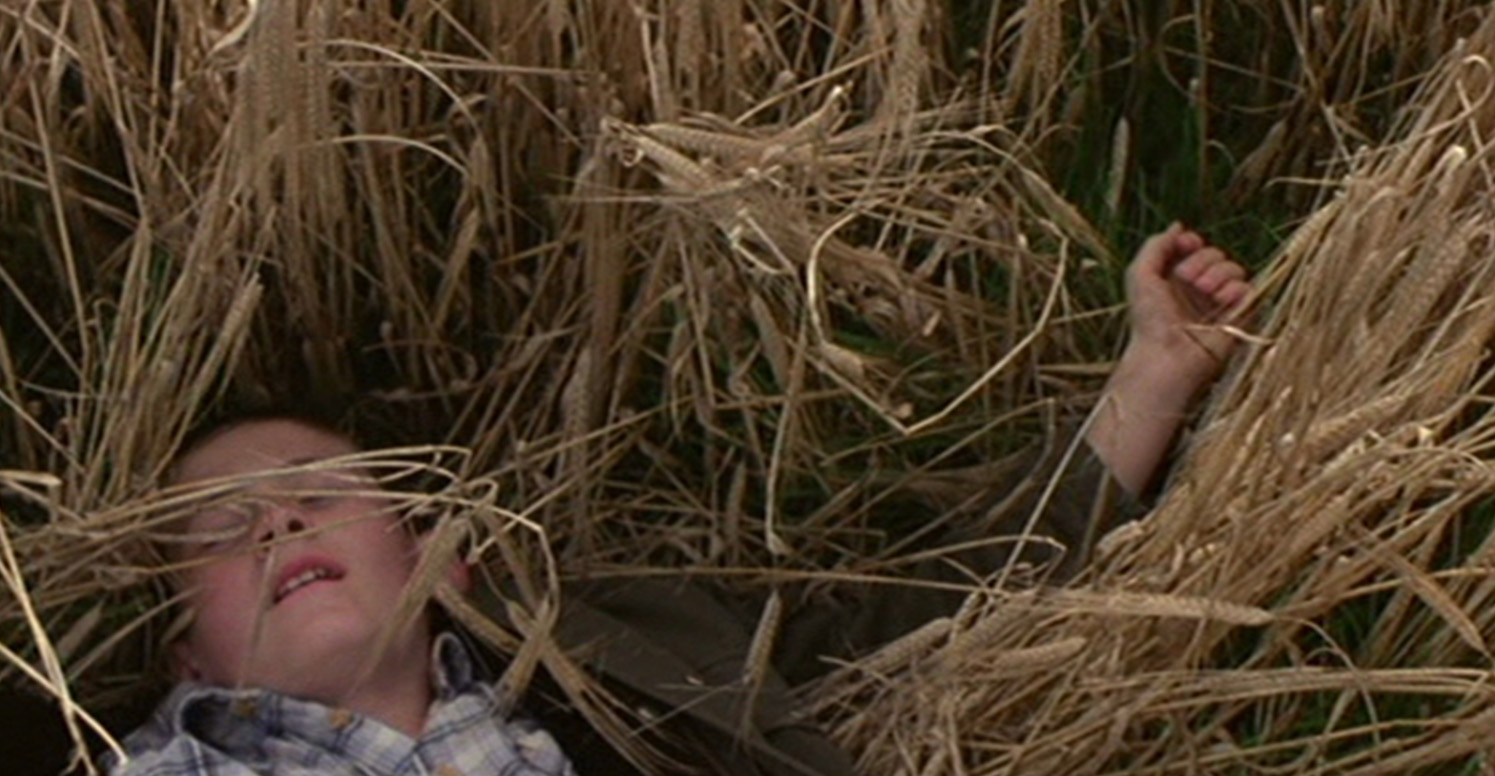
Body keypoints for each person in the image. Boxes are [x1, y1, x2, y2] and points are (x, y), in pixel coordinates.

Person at [109, 225, 1251, 775]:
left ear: (443, 562)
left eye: (315, 494)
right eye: (223, 530)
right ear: (187, 661)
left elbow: (922, 609)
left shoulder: (630, 659)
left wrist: (1153, 381)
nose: (278, 523)